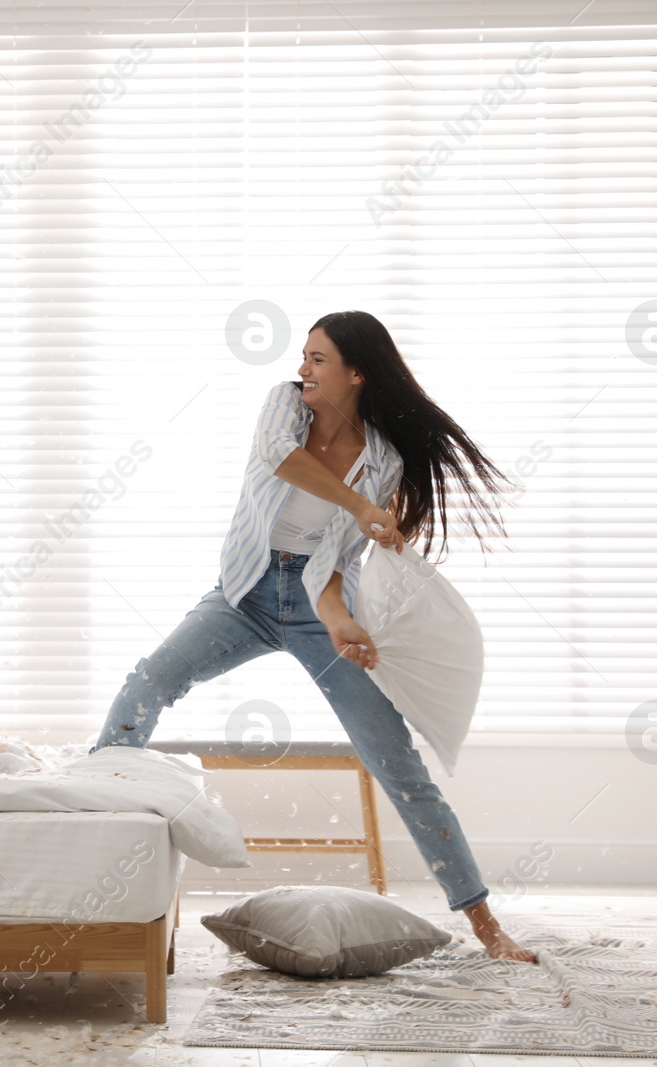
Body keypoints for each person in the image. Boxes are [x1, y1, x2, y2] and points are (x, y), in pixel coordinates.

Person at [95, 310, 536, 961]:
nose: (303, 368)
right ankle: (92, 822)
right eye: (305, 355)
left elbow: (332, 561)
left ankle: (487, 926)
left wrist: (336, 620)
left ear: (356, 373)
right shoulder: (283, 405)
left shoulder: (381, 460)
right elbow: (280, 460)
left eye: (318, 358)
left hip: (313, 603)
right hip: (241, 593)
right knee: (149, 681)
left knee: (399, 764)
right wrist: (360, 506)